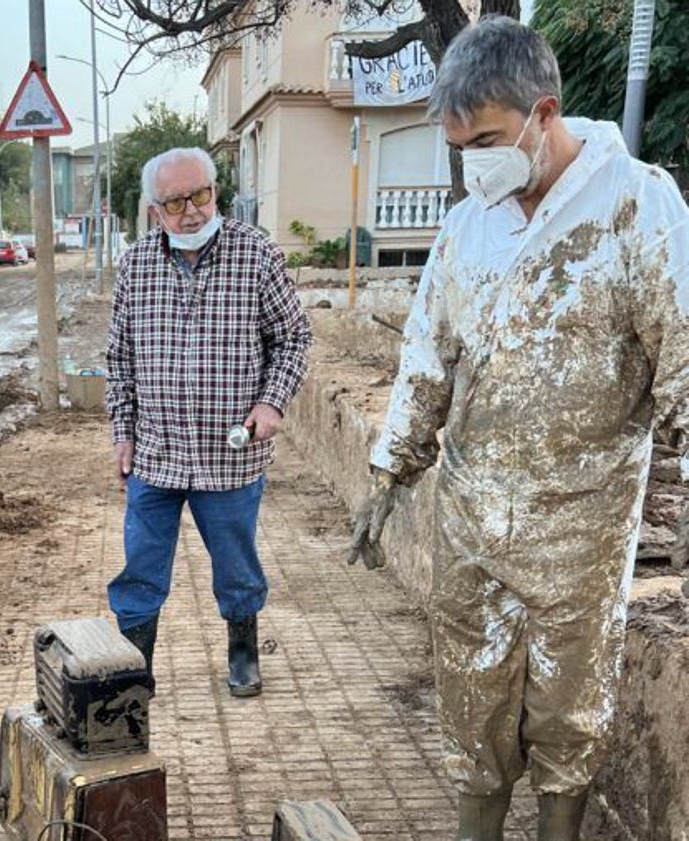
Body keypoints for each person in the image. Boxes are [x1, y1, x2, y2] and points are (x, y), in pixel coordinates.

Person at [348, 17, 689, 841]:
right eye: (462, 147)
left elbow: (684, 355)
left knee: (570, 704)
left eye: (490, 139)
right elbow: (427, 355)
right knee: (472, 693)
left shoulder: (637, 207)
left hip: (583, 521)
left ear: (544, 112)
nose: (476, 163)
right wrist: (390, 470)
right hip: (472, 517)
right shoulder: (469, 225)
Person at [106, 147, 312, 697]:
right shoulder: (135, 265)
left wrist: (271, 402)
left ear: (216, 193)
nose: (192, 211)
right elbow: (120, 358)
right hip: (156, 451)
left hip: (231, 455)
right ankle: (134, 667)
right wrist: (122, 433)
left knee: (236, 564)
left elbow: (293, 339)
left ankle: (244, 651)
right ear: (155, 210)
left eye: (201, 195)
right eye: (176, 202)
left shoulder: (257, 255)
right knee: (141, 569)